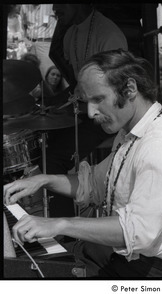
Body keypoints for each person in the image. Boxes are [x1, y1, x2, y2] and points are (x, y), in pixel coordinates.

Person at [4, 49, 162, 278]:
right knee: (33, 269)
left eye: (98, 99)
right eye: (88, 101)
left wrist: (60, 224)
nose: (90, 112)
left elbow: (137, 233)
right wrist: (43, 180)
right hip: (121, 259)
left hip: (142, 274)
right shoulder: (130, 133)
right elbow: (94, 184)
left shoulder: (159, 145)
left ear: (129, 89)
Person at [45, 4, 128, 218]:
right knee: (44, 141)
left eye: (59, 3)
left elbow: (114, 93)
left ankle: (63, 232)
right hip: (84, 111)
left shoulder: (108, 34)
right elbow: (76, 87)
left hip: (107, 116)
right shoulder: (69, 34)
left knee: (54, 156)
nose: (55, 8)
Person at [20, 4, 57, 77]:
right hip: (30, 45)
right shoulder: (25, 6)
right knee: (29, 73)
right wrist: (25, 39)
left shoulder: (51, 5)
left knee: (47, 73)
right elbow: (23, 25)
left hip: (46, 44)